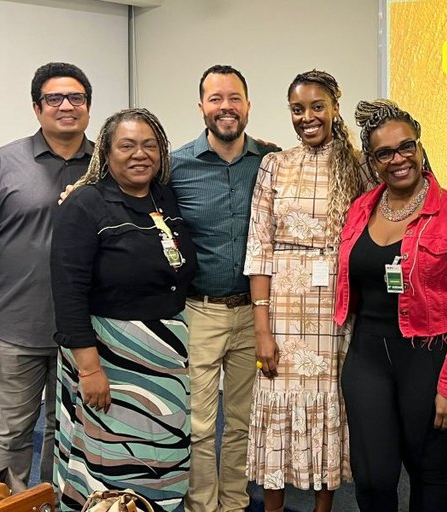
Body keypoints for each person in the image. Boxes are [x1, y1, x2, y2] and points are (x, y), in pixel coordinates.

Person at [334, 99, 447, 512]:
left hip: (431, 358)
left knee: (426, 469)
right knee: (372, 476)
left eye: (407, 147)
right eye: (385, 152)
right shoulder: (361, 209)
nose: (398, 159)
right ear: (372, 160)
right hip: (368, 355)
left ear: (420, 148)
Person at [50, 108, 197, 511]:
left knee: (164, 449)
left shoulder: (163, 198)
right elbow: (68, 294)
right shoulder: (84, 204)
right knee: (110, 458)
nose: (140, 154)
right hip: (108, 359)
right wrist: (90, 369)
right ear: (107, 153)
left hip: (165, 361)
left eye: (149, 145)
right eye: (127, 145)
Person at [244, 70, 376, 512]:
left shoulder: (358, 167)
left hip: (336, 305)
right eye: (298, 109)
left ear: (335, 107)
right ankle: (274, 506)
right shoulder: (275, 164)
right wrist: (262, 327)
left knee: (330, 404)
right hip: (282, 303)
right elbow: (259, 248)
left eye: (316, 106)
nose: (307, 117)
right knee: (276, 398)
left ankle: (324, 507)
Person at [170, 64, 280, 512]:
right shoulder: (174, 166)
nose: (225, 107)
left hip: (254, 315)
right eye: (215, 99)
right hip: (200, 311)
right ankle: (202, 504)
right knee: (198, 421)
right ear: (201, 107)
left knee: (242, 421)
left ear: (249, 105)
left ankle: (233, 503)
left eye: (234, 98)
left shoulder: (271, 162)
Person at [0, 62, 93, 485]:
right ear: (37, 107)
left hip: (85, 331)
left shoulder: (106, 165)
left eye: (76, 98)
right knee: (11, 433)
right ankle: (8, 503)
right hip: (16, 330)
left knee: (68, 433)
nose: (66, 106)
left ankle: (54, 500)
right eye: (54, 98)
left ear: (87, 105)